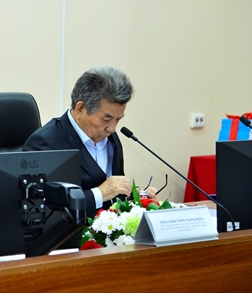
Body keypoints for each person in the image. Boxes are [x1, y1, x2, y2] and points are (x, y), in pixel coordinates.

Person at [24, 66, 155, 212]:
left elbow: (111, 191)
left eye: (118, 119)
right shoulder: (45, 143)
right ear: (80, 109)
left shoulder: (110, 138)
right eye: (107, 118)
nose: (112, 128)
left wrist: (134, 194)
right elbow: (40, 205)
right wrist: (99, 194)